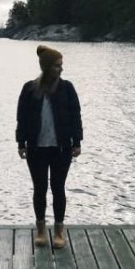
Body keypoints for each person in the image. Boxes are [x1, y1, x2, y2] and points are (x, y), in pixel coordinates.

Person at [16, 45, 83, 249]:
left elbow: (75, 116)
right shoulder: (29, 89)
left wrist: (77, 142)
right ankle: (41, 231)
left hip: (61, 149)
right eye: (56, 66)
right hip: (36, 149)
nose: (61, 69)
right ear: (46, 67)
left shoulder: (67, 88)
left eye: (61, 65)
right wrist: (21, 142)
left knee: (58, 188)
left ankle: (59, 231)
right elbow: (22, 118)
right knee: (40, 189)